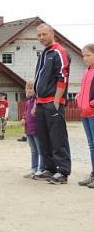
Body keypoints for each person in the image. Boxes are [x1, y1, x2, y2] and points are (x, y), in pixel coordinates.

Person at [32, 23, 71, 185]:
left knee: (57, 138)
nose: (41, 37)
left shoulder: (58, 52)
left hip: (53, 103)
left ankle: (62, 172)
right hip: (40, 103)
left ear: (52, 33)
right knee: (44, 138)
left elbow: (63, 76)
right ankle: (49, 168)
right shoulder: (44, 53)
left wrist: (56, 101)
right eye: (39, 35)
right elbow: (39, 81)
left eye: (44, 34)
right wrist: (35, 102)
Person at [75, 43, 94, 187]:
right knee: (91, 145)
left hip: (93, 112)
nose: (85, 58)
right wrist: (78, 97)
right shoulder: (87, 72)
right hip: (84, 113)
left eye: (88, 55)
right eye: (83, 56)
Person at [21, 80, 40, 178]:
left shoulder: (38, 101)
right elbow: (25, 112)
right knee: (33, 150)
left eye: (31, 88)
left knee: (39, 150)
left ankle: (40, 169)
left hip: (36, 130)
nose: (29, 90)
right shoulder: (28, 102)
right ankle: (34, 168)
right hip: (28, 130)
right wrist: (24, 118)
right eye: (27, 88)